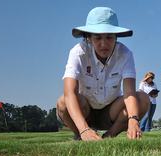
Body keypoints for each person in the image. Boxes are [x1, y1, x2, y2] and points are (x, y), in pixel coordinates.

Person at [57, 7, 149, 141]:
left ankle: (109, 136)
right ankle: (81, 135)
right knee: (63, 102)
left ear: (116, 37)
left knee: (143, 98)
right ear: (88, 37)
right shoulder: (78, 53)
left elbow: (129, 93)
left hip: (111, 111)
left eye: (109, 37)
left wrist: (133, 119)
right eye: (98, 37)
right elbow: (69, 92)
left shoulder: (125, 54)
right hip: (84, 110)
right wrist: (84, 129)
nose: (103, 43)